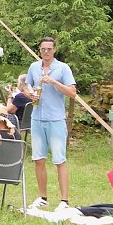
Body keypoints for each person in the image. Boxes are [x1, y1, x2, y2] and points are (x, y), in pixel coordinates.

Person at [26, 37, 77, 211]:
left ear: (54, 50)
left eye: (49, 49)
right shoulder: (34, 67)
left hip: (55, 119)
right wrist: (30, 94)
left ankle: (64, 201)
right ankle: (43, 197)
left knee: (59, 159)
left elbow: (72, 93)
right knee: (38, 159)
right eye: (43, 49)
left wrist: (53, 81)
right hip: (37, 118)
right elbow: (26, 87)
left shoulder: (63, 68)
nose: (46, 52)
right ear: (39, 50)